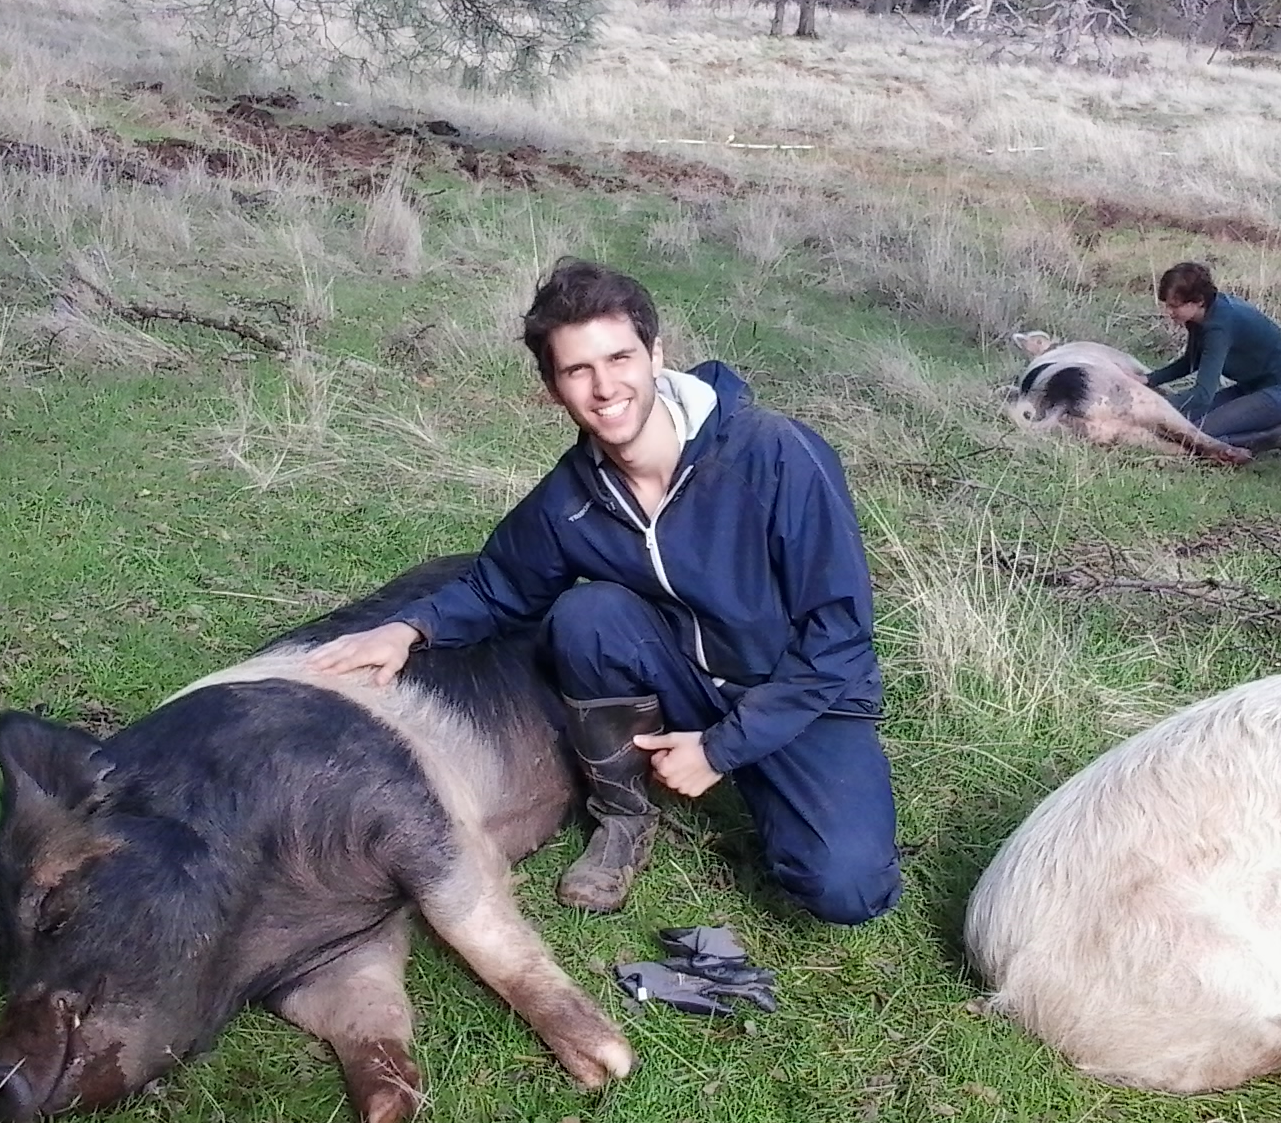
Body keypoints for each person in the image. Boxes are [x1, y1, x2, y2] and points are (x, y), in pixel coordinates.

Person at [304, 259, 901, 925]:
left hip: (803, 694)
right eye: (578, 370)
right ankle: (623, 817)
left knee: (847, 887)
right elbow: (501, 583)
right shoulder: (572, 495)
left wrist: (721, 750)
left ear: (656, 355)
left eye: (619, 358)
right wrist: (407, 629)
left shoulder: (775, 454)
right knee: (587, 616)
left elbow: (837, 638)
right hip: (689, 677)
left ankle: (767, 784)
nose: (605, 387)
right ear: (553, 388)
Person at [1145, 262, 1281, 460]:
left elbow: (1203, 394)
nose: (1168, 312)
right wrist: (1149, 380)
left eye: (1174, 306)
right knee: (1182, 421)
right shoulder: (1199, 318)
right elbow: (1192, 361)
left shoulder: (1219, 327)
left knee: (1194, 435)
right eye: (1167, 305)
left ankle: (1280, 436)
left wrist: (1153, 405)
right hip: (1252, 386)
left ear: (1198, 301)